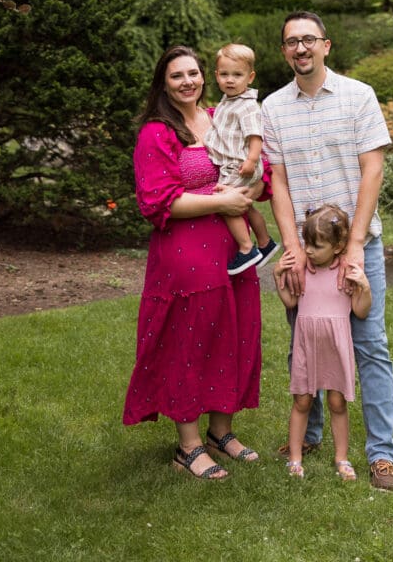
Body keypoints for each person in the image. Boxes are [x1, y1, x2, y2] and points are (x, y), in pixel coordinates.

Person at [261, 11, 393, 491]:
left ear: (326, 45)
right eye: (291, 42)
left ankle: (381, 454)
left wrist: (356, 245)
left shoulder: (359, 96)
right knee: (304, 338)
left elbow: (372, 170)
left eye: (308, 40)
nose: (300, 49)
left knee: (369, 346)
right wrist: (294, 247)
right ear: (283, 51)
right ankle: (312, 433)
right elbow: (276, 181)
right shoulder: (272, 109)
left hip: (358, 244)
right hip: (305, 252)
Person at [122, 45, 267, 480]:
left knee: (235, 333)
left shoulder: (218, 114)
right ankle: (188, 446)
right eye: (176, 76)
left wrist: (252, 186)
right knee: (188, 343)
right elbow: (155, 202)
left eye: (193, 73)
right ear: (163, 84)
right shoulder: (157, 132)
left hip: (231, 251)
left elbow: (248, 163)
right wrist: (221, 198)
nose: (188, 81)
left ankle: (221, 431)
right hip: (184, 255)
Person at [273, 204, 371, 481]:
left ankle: (342, 458)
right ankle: (295, 458)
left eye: (317, 246)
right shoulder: (305, 271)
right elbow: (292, 302)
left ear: (339, 246)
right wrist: (279, 277)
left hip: (335, 347)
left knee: (338, 402)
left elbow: (361, 311)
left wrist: (364, 286)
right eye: (307, 244)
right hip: (307, 346)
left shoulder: (346, 272)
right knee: (302, 401)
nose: (310, 251)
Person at [204, 43, 279, 275]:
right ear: (216, 76)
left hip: (240, 164)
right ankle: (266, 244)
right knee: (245, 206)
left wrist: (251, 160)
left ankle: (247, 249)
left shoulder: (246, 106)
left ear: (250, 77)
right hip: (236, 163)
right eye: (224, 74)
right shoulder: (228, 102)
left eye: (237, 75)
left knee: (227, 203)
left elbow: (255, 136)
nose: (230, 80)